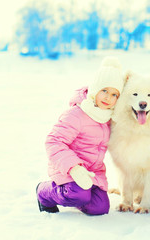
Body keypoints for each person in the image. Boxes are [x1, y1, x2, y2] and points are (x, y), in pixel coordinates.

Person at [36, 57, 124, 215]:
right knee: (79, 194)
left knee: (100, 208)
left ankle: (81, 194)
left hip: (93, 173)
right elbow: (53, 141)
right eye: (104, 90)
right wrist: (74, 168)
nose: (108, 98)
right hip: (68, 169)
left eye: (114, 95)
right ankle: (44, 192)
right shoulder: (77, 114)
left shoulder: (110, 118)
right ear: (95, 89)